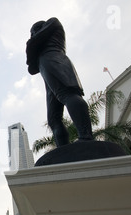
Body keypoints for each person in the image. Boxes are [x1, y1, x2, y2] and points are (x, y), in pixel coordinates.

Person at [26, 17, 94, 147]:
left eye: (33, 32)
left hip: (56, 61)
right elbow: (32, 68)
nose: (32, 36)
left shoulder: (53, 23)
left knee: (68, 94)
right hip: (45, 67)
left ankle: (86, 137)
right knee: (53, 118)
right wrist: (32, 45)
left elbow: (31, 46)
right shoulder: (42, 40)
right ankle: (63, 148)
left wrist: (32, 44)